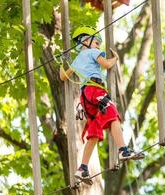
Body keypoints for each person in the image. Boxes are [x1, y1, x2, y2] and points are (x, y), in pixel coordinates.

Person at [59, 26, 143, 184]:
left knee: (94, 132)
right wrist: (115, 58)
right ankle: (123, 150)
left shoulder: (76, 60)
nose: (99, 45)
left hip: (85, 96)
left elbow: (64, 77)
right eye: (97, 42)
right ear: (86, 41)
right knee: (113, 117)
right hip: (96, 89)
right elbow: (106, 64)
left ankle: (82, 168)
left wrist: (59, 66)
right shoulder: (92, 52)